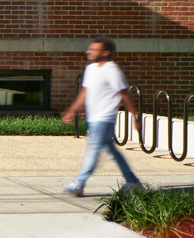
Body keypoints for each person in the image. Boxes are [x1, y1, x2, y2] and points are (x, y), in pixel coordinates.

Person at [59, 38, 143, 197]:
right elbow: (84, 91)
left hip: (105, 117)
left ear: (105, 52)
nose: (88, 52)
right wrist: (72, 110)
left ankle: (79, 183)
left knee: (93, 149)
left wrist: (135, 116)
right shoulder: (90, 69)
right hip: (93, 117)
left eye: (94, 49)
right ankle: (132, 181)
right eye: (89, 49)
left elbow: (124, 95)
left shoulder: (112, 70)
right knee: (110, 150)